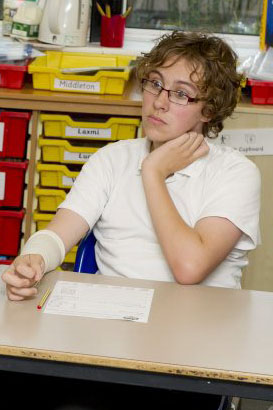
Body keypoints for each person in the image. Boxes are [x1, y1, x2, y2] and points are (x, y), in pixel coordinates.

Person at [1, 31, 260, 409]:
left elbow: (189, 267)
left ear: (209, 110)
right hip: (107, 343)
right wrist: (34, 258)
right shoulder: (112, 159)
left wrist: (153, 172)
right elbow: (59, 233)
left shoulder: (236, 174)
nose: (159, 102)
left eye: (181, 93)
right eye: (155, 84)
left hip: (190, 358)